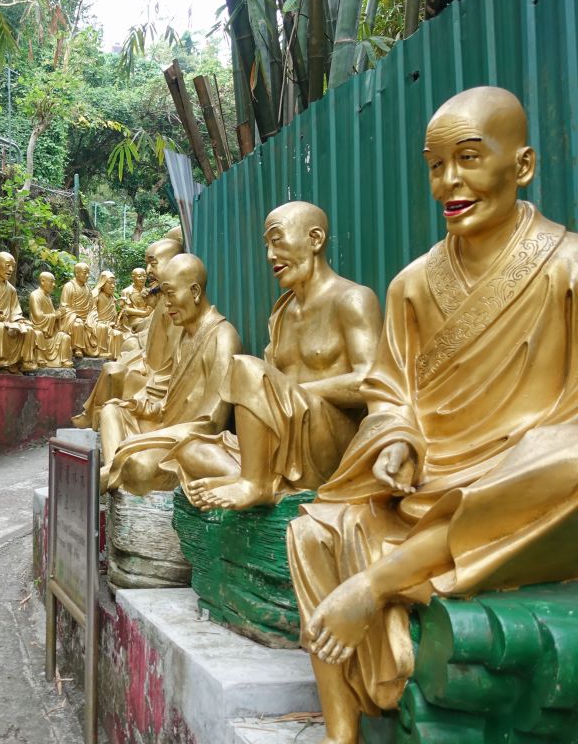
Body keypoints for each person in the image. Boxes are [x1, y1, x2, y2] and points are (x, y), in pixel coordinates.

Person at [288, 87, 578, 744]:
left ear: (523, 166)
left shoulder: (568, 267)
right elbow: (392, 392)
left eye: (470, 159)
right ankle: (342, 730)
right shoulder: (412, 285)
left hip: (525, 485)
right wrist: (397, 441)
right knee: (312, 531)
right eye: (436, 165)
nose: (450, 182)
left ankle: (375, 587)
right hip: (429, 485)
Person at [163, 201, 381, 510]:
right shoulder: (282, 313)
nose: (270, 256)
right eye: (267, 245)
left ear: (315, 239)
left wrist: (288, 394)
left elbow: (370, 381)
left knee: (246, 368)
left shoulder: (353, 299)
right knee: (189, 450)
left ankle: (256, 483)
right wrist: (277, 397)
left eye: (276, 240)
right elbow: (267, 393)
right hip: (283, 438)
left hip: (330, 444)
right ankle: (257, 478)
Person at [99, 253, 242, 495]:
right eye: (163, 295)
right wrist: (142, 407)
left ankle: (113, 470)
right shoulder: (185, 336)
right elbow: (168, 405)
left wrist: (137, 442)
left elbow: (210, 423)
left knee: (139, 467)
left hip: (189, 442)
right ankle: (115, 468)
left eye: (171, 293)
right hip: (166, 427)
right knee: (111, 410)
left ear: (195, 291)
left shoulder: (223, 338)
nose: (166, 304)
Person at [71, 234, 184, 429]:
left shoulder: (174, 307)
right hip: (147, 360)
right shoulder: (157, 300)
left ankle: (98, 414)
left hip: (157, 377)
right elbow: (145, 326)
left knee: (113, 369)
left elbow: (174, 354)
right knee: (118, 358)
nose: (148, 272)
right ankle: (94, 413)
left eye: (153, 264)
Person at [27, 271, 73, 368]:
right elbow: (38, 317)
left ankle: (64, 360)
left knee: (65, 337)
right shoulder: (35, 295)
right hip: (39, 329)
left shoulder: (48, 297)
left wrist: (59, 314)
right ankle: (40, 359)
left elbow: (53, 315)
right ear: (43, 281)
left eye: (54, 282)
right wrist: (55, 316)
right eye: (51, 282)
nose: (54, 285)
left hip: (50, 332)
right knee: (38, 335)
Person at [90, 270, 123, 359]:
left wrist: (116, 322)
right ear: (103, 283)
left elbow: (114, 314)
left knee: (118, 334)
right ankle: (101, 351)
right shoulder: (95, 295)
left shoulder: (112, 297)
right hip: (98, 325)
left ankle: (117, 357)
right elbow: (91, 313)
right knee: (103, 328)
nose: (112, 286)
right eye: (109, 283)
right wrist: (103, 323)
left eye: (114, 283)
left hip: (110, 325)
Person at [117, 267, 154, 334]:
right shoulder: (127, 291)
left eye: (144, 276)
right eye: (139, 276)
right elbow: (126, 310)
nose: (142, 278)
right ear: (133, 277)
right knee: (147, 324)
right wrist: (145, 313)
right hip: (135, 319)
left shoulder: (149, 291)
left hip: (150, 317)